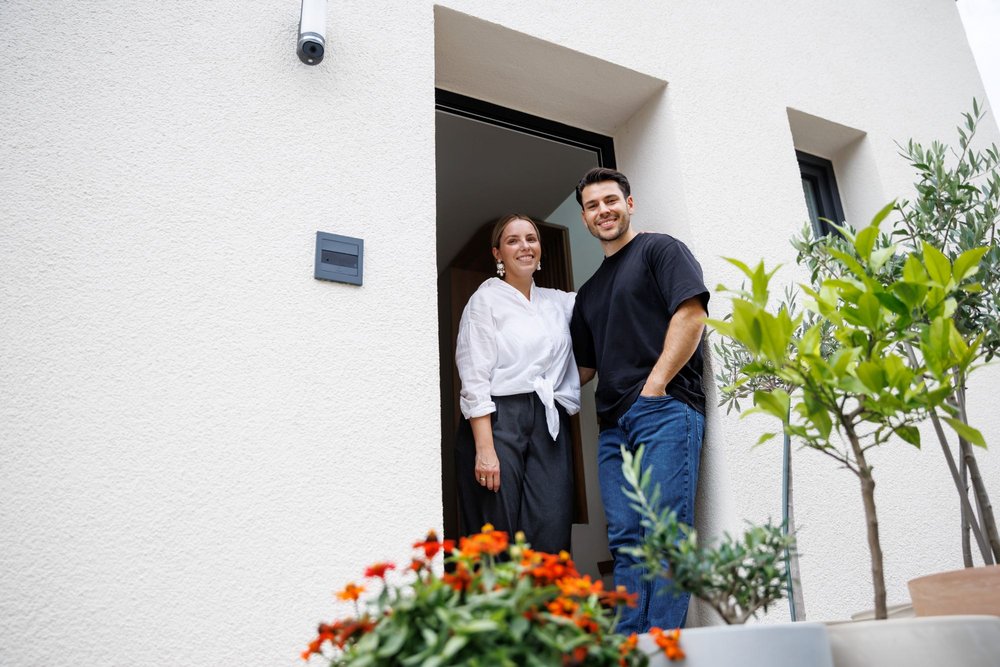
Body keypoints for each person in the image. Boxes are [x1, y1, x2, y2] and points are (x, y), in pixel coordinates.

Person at [569, 168, 709, 633]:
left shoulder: (659, 249)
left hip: (664, 411)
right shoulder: (588, 292)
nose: (603, 211)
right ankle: (630, 647)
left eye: (611, 201)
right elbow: (583, 370)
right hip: (613, 429)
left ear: (629, 204)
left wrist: (654, 388)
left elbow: (691, 314)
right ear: (585, 219)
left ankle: (662, 642)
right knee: (627, 542)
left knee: (665, 535)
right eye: (592, 206)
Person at [454, 214, 580, 554]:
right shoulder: (485, 300)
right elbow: (474, 376)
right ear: (498, 253)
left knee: (551, 528)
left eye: (531, 238)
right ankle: (498, 608)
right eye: (513, 240)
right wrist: (484, 449)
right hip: (497, 421)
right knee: (496, 535)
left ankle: (544, 607)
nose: (524, 246)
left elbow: (606, 304)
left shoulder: (560, 302)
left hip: (548, 420)